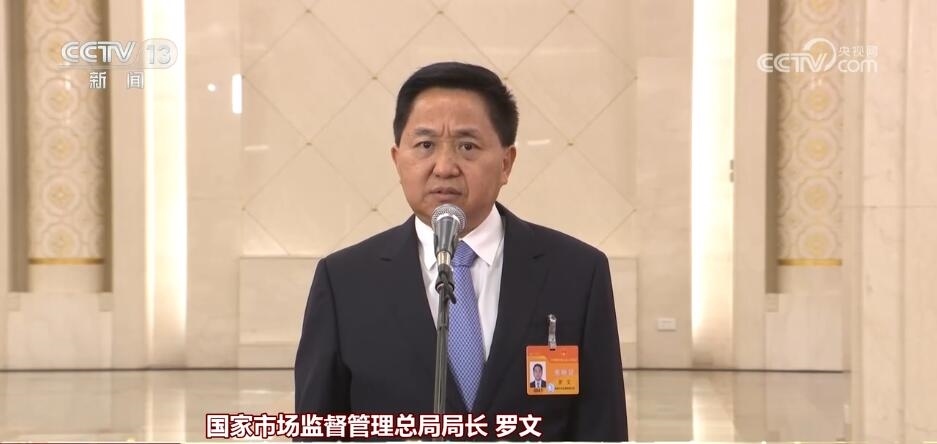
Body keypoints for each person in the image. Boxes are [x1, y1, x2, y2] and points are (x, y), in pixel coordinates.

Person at [294, 61, 627, 441]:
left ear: (506, 163)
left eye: (467, 146)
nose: (444, 167)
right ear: (398, 160)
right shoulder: (345, 281)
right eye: (425, 145)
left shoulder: (577, 272)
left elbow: (603, 426)